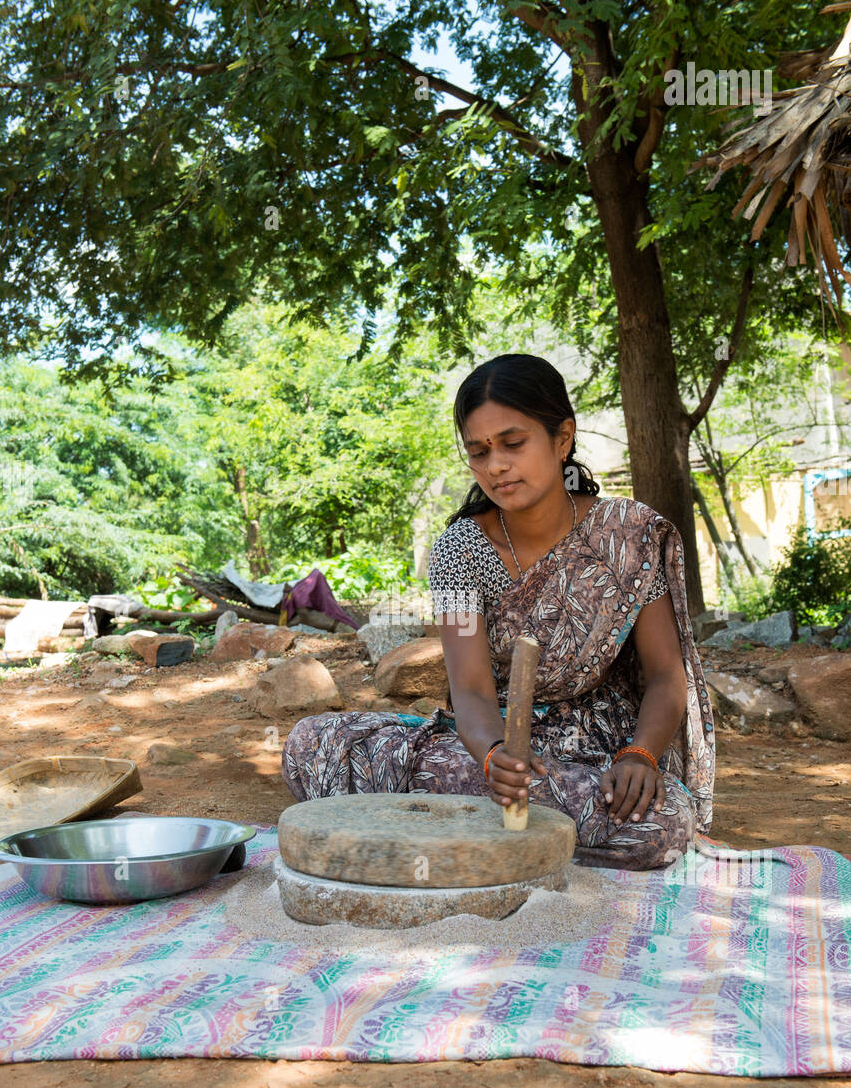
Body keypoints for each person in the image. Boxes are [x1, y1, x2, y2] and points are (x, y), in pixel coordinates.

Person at [282, 352, 715, 870]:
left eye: (513, 444)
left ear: (562, 438)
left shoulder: (627, 535)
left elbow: (668, 676)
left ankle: (456, 824)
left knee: (660, 823)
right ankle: (517, 824)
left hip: (601, 750)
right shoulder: (459, 551)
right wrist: (492, 757)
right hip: (494, 747)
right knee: (312, 745)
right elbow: (469, 690)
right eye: (479, 451)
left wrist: (641, 754)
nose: (496, 466)